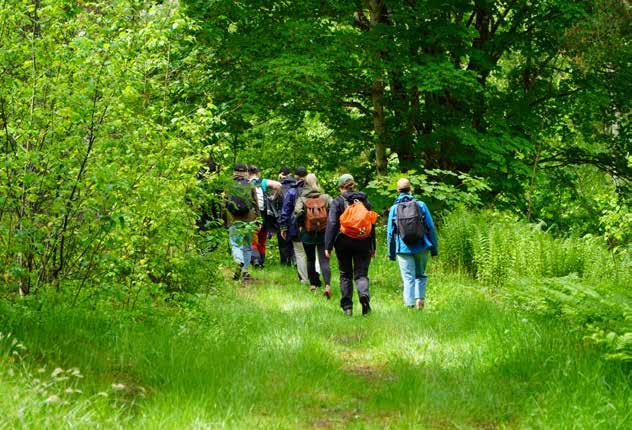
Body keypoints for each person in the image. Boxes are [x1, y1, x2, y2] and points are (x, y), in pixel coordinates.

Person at [325, 174, 378, 316]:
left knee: (345, 274)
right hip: (363, 241)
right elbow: (371, 223)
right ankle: (363, 296)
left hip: (343, 242)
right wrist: (373, 245)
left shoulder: (337, 201)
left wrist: (328, 246)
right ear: (353, 185)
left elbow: (332, 223)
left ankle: (347, 307)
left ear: (340, 187)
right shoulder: (364, 201)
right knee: (361, 274)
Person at [387, 178, 438, 309]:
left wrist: (391, 253)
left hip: (403, 249)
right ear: (411, 189)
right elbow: (431, 227)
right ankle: (419, 300)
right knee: (420, 275)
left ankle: (409, 306)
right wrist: (434, 249)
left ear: (398, 191)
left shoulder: (394, 209)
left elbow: (390, 233)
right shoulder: (421, 205)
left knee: (408, 278)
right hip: (421, 246)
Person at [293, 173, 333, 297]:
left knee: (310, 259)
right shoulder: (326, 197)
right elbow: (333, 212)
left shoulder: (302, 199)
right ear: (317, 183)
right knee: (324, 260)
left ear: (305, 184)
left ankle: (313, 285)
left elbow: (297, 212)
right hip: (323, 233)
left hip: (307, 233)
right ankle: (327, 285)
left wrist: (301, 225)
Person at [225, 163, 259, 281]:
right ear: (245, 172)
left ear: (234, 172)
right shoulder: (250, 185)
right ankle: (245, 271)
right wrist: (258, 219)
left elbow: (224, 203)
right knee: (247, 246)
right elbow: (255, 203)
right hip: (249, 220)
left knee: (235, 244)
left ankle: (239, 261)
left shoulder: (228, 185)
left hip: (233, 219)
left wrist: (223, 220)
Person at [279, 167, 309, 283]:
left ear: (296, 176)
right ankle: (315, 277)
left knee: (300, 253)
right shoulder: (315, 190)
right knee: (312, 252)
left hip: (297, 226)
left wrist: (283, 227)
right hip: (314, 226)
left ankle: (304, 279)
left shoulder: (292, 191)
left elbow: (285, 210)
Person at [247, 165, 281, 268]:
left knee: (252, 237)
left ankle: (255, 259)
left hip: (252, 214)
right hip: (264, 214)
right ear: (258, 173)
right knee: (262, 239)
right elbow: (278, 185)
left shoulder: (246, 183)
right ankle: (261, 262)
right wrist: (273, 197)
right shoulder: (262, 182)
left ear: (248, 173)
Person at [275, 167, 296, 266]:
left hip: (281, 216)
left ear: (281, 174)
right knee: (295, 240)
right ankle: (295, 260)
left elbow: (272, 201)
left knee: (282, 240)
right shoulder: (296, 184)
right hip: (295, 216)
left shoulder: (278, 186)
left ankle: (284, 262)